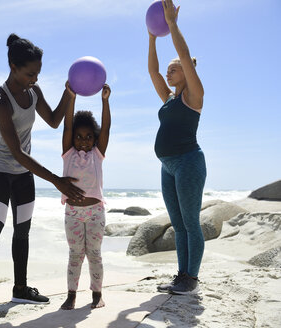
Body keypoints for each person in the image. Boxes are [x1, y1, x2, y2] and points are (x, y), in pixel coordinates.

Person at [0, 33, 86, 324]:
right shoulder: (1, 100)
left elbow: (53, 120)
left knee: (22, 231)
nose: (34, 79)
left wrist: (69, 92)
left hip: (24, 174)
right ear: (13, 66)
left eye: (37, 73)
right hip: (0, 170)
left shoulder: (33, 92)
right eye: (29, 73)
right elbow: (17, 153)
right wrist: (56, 180)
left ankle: (20, 288)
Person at [147, 0, 207, 295]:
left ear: (185, 72)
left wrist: (171, 24)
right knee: (178, 224)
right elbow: (153, 72)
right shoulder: (170, 98)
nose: (169, 74)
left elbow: (183, 54)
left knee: (190, 222)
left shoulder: (194, 95)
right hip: (167, 165)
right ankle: (181, 277)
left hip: (188, 162)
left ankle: (191, 280)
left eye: (174, 70)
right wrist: (151, 37)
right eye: (170, 70)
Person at [59, 82, 111, 310]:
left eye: (88, 136)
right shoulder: (68, 154)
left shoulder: (97, 155)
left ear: (94, 137)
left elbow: (107, 129)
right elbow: (67, 126)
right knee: (75, 255)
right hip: (73, 213)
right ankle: (71, 294)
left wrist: (105, 101)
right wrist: (71, 97)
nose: (83, 141)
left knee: (95, 254)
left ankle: (97, 293)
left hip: (95, 213)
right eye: (79, 137)